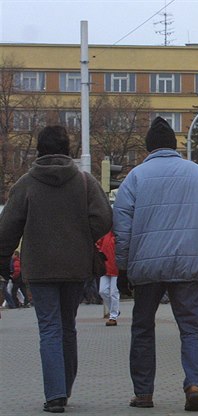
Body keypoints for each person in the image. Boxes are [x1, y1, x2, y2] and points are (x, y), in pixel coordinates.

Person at [113, 116, 198, 412]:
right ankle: (194, 385)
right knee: (191, 328)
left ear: (149, 147)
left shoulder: (134, 178)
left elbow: (122, 229)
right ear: (174, 146)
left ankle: (143, 394)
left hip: (146, 269)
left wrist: (123, 269)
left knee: (142, 328)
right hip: (188, 266)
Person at [0, 125, 112, 413]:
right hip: (76, 266)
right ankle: (65, 388)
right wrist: (82, 235)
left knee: (49, 328)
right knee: (67, 327)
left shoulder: (26, 183)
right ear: (68, 151)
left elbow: (7, 229)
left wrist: (4, 258)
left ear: (39, 150)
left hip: (39, 268)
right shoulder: (84, 182)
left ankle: (55, 395)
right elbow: (104, 218)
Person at [96, 231, 119, 326]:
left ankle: (113, 316)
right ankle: (114, 311)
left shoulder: (117, 236)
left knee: (114, 293)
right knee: (102, 291)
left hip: (116, 269)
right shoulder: (105, 234)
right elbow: (98, 245)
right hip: (105, 268)